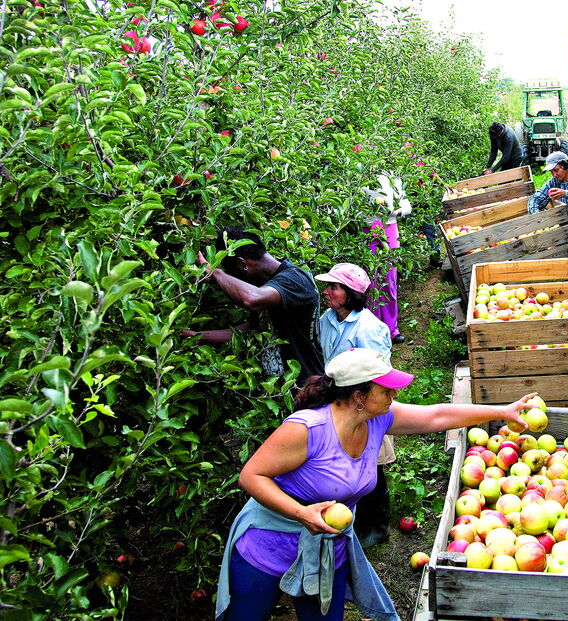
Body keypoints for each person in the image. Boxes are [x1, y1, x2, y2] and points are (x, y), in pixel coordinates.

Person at [214, 347, 536, 621]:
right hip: (270, 541)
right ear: (358, 396)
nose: (393, 396)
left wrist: (502, 411)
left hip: (327, 542)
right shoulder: (307, 429)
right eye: (386, 390)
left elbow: (436, 416)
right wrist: (301, 513)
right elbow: (251, 475)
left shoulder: (378, 417)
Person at [181, 226, 324, 385]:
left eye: (233, 273)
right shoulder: (270, 285)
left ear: (243, 264)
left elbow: (251, 299)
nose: (235, 279)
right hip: (280, 390)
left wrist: (216, 273)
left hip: (306, 388)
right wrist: (200, 337)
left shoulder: (295, 279)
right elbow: (255, 327)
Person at [314, 263, 393, 549]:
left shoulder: (369, 328)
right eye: (328, 286)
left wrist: (368, 407)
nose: (327, 291)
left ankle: (378, 525)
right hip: (339, 401)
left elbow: (378, 374)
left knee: (372, 461)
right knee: (344, 457)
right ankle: (354, 518)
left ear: (350, 294)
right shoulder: (325, 320)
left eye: (334, 287)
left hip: (365, 401)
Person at [361, 173, 410, 345]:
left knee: (389, 280)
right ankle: (373, 330)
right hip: (367, 230)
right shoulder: (359, 176)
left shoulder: (391, 179)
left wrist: (395, 211)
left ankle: (390, 329)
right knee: (371, 281)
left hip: (389, 227)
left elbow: (406, 204)